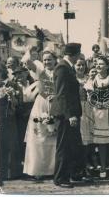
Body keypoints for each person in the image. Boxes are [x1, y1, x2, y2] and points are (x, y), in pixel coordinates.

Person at [50, 43, 83, 188]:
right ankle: (60, 178)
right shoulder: (63, 68)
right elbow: (62, 94)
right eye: (79, 55)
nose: (79, 58)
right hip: (65, 115)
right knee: (64, 146)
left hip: (70, 113)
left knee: (73, 146)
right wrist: (70, 115)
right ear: (74, 55)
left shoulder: (66, 67)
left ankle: (71, 175)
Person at [22, 49, 58, 179]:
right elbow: (28, 62)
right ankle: (38, 170)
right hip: (41, 104)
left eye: (50, 59)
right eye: (45, 60)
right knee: (39, 136)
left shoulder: (60, 71)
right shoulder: (40, 71)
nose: (47, 62)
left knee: (53, 136)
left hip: (55, 104)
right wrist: (29, 52)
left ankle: (53, 169)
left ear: (55, 60)